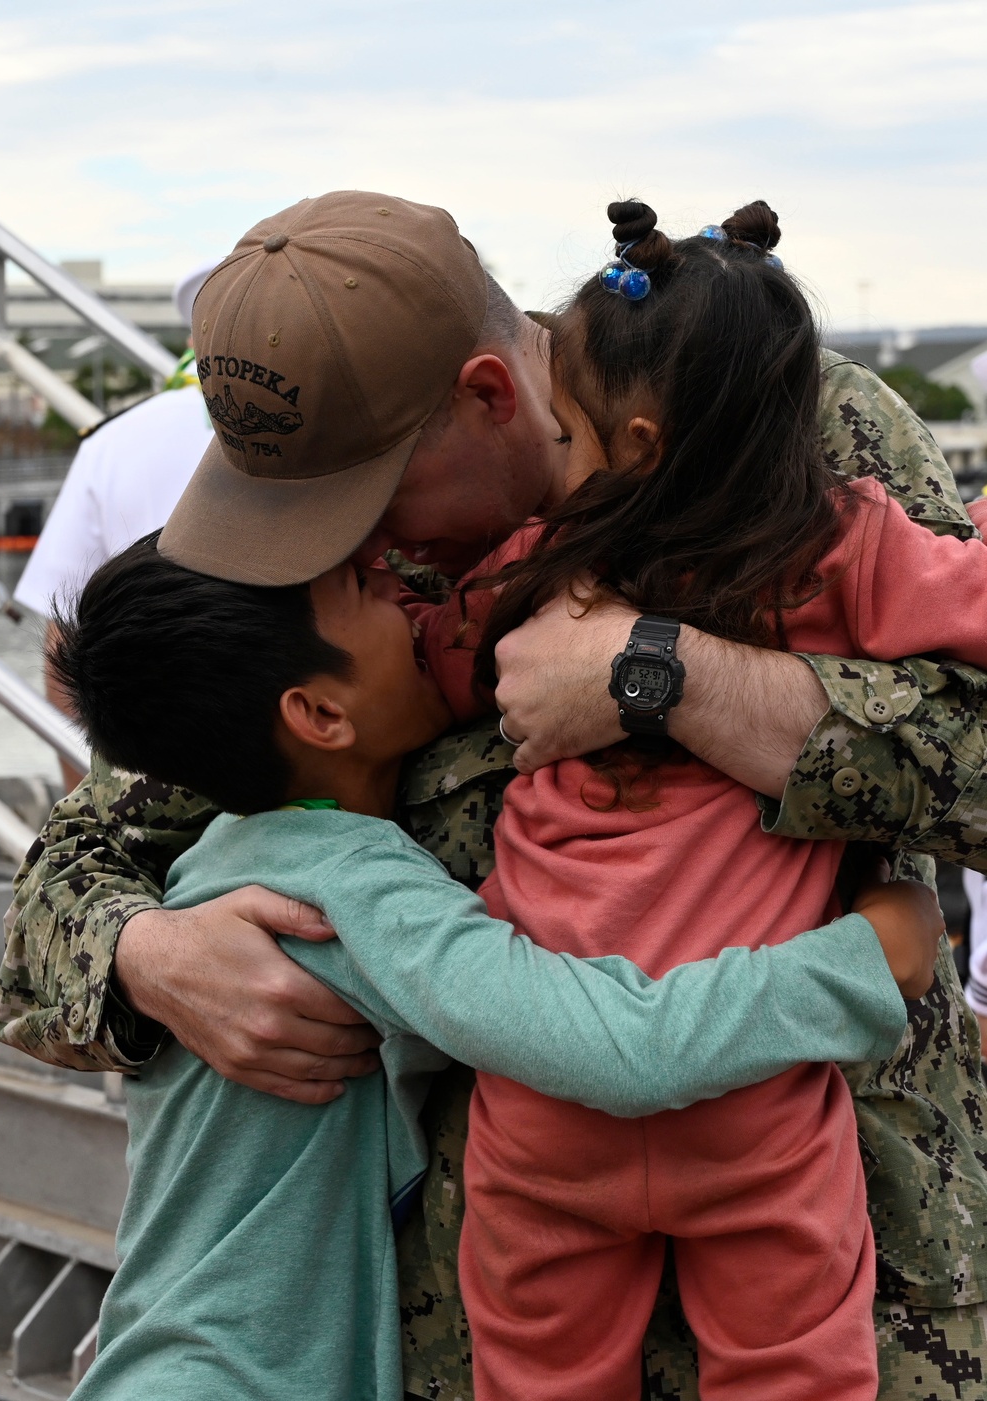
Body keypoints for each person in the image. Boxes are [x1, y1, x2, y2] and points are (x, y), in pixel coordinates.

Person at [0, 192, 987, 1399]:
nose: (342, 552)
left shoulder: (764, 406)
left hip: (837, 1288)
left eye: (361, 500)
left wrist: (661, 676)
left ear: (486, 394)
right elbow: (72, 871)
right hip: (510, 1316)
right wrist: (147, 955)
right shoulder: (321, 561)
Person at [47, 532, 934, 1400]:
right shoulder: (342, 886)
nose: (406, 593)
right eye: (365, 591)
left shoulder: (223, 858)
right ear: (320, 714)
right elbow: (622, 1049)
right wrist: (863, 959)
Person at [408, 200, 987, 1400]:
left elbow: (430, 667)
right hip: (761, 1092)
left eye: (561, 440)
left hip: (543, 1095)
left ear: (633, 440)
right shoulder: (840, 546)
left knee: (538, 1374)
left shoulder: (540, 563)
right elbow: (967, 602)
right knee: (796, 1370)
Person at [14, 260, 217, 787]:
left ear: (196, 335)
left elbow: (63, 642)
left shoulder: (115, 441)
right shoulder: (358, 433)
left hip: (150, 785)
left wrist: (90, 805)